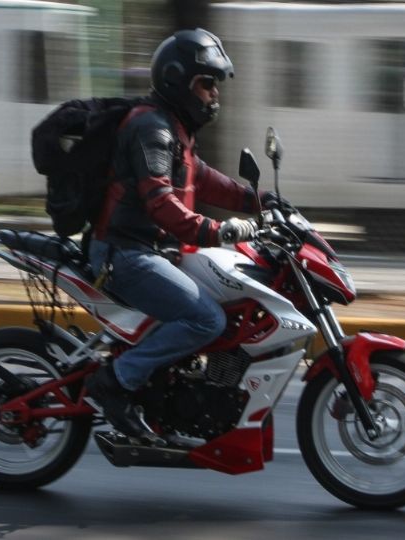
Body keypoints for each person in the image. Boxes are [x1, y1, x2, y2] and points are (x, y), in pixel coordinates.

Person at [85, 28, 282, 441]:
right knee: (204, 318)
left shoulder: (175, 129)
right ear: (180, 82)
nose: (214, 95)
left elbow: (207, 182)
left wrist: (262, 201)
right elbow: (160, 203)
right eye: (206, 84)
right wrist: (217, 230)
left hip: (153, 252)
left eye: (214, 86)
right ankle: (117, 381)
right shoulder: (152, 129)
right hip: (125, 254)